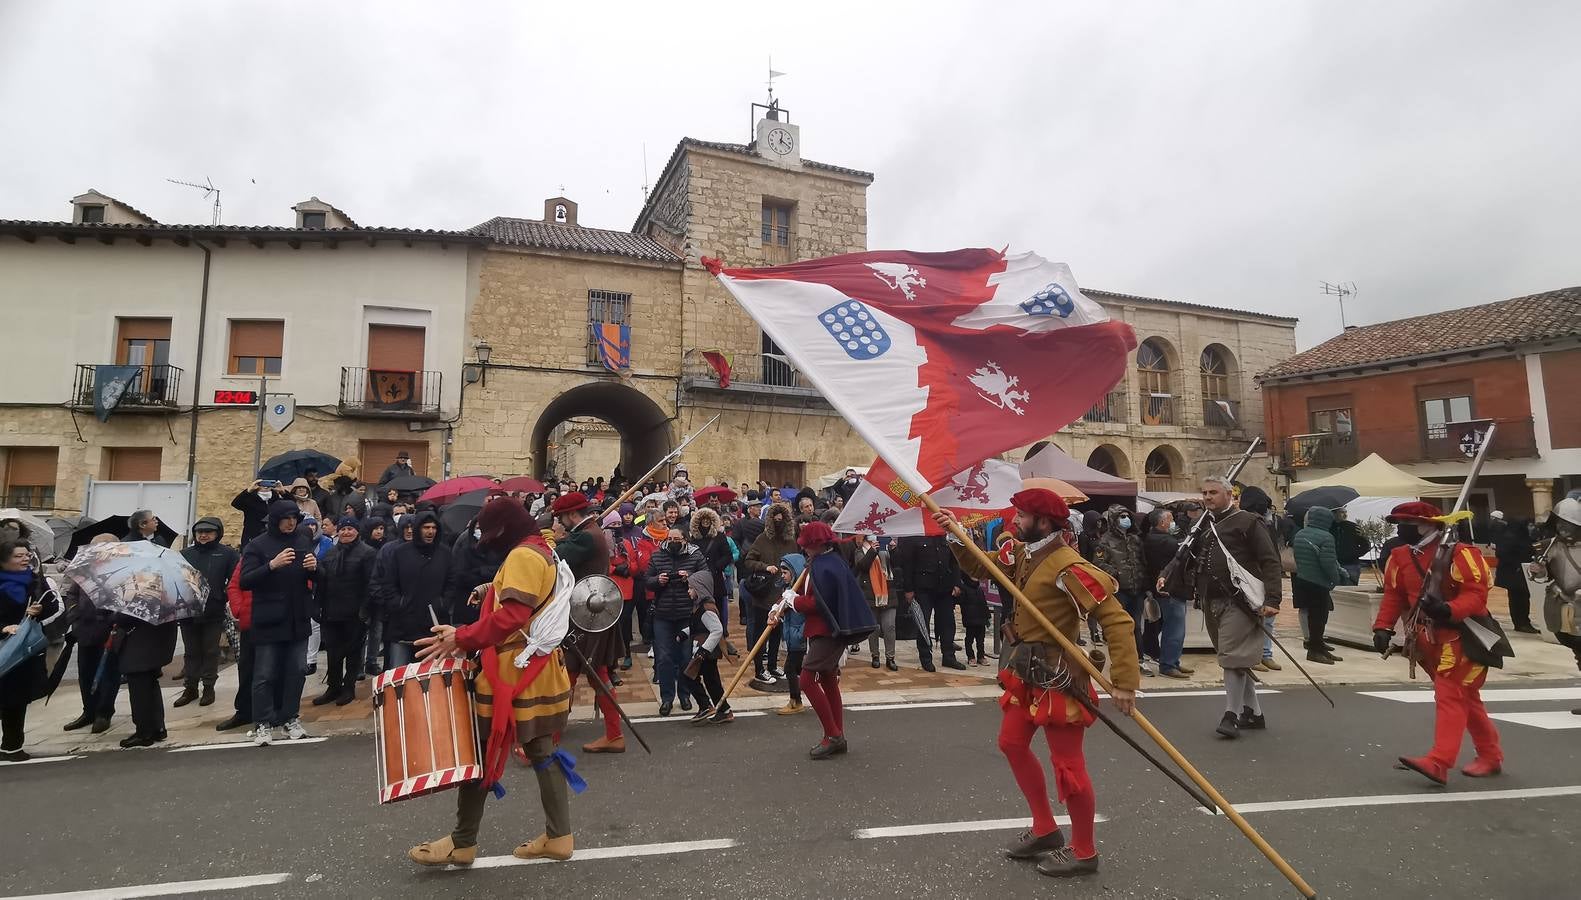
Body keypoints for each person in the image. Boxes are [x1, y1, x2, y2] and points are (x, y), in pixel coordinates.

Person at [935, 488, 1139, 878]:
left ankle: (1084, 850)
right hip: (1026, 671)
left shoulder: (1069, 567)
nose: (1014, 521)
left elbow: (1118, 621)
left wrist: (1124, 683)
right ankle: (1045, 830)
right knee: (1011, 744)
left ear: (1044, 522)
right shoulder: (1023, 553)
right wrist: (955, 534)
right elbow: (985, 567)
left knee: (1068, 768)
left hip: (1059, 677)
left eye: (1022, 516)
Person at [407, 498, 577, 867]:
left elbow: (515, 614)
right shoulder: (541, 548)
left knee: (480, 752)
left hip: (513, 670)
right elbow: (534, 595)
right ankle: (559, 835)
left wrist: (462, 637)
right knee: (542, 752)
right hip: (539, 669)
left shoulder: (522, 557)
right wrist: (491, 589)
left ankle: (462, 841)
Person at [1372, 501, 1502, 784]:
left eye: (1405, 523)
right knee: (1465, 698)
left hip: (1462, 635)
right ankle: (1490, 755)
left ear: (1427, 525)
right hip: (1426, 640)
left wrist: (1449, 609)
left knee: (1450, 694)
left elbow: (1476, 595)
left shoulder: (1460, 554)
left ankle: (1439, 761)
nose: (1400, 529)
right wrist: (1382, 627)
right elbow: (1393, 595)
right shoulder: (1399, 556)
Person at [1185, 476, 1283, 739]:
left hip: (1240, 601)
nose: (1207, 497)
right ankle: (1254, 712)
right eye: (1204, 492)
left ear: (1229, 495)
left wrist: (1273, 600)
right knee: (1235, 657)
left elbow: (1270, 560)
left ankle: (1231, 715)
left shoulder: (1248, 522)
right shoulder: (1203, 525)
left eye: (1213, 492)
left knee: (1231, 657)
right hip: (1211, 599)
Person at [772, 521, 875, 759]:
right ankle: (837, 734)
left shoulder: (824, 566)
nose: (804, 549)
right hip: (825, 630)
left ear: (816, 545)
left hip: (828, 631)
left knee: (807, 680)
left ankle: (833, 735)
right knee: (828, 680)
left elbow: (818, 603)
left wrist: (793, 601)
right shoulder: (825, 563)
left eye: (807, 545)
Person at [549, 492, 625, 753]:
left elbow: (554, 558)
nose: (559, 523)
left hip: (585, 617)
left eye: (561, 518)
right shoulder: (589, 531)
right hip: (591, 616)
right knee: (597, 675)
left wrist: (551, 538)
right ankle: (614, 735)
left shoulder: (585, 536)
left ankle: (551, 741)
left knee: (567, 676)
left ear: (572, 515)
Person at [239, 500, 318, 745]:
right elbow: (245, 580)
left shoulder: (303, 541)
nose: (291, 523)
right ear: (275, 520)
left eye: (294, 518)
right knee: (264, 674)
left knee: (297, 671)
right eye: (286, 518)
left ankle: (290, 718)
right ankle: (263, 722)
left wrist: (315, 569)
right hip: (270, 620)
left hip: (297, 617)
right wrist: (271, 565)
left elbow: (315, 577)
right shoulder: (257, 545)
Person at [1, 542, 60, 761]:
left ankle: (12, 746)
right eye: (18, 556)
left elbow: (54, 607)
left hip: (22, 651)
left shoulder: (36, 581)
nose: (25, 559)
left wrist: (39, 611)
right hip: (2, 646)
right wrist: (3, 628)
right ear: (4, 559)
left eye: (27, 555)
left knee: (16, 700)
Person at [375, 510, 452, 670]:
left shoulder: (445, 553)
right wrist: (399, 603)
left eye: (433, 527)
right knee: (399, 675)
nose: (430, 531)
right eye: (426, 527)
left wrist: (442, 603)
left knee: (432, 677)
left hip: (434, 625)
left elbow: (452, 583)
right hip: (403, 625)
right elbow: (388, 583)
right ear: (418, 529)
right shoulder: (400, 553)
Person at [175, 517, 238, 708]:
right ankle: (191, 687)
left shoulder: (227, 554)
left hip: (213, 610)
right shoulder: (184, 554)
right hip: (188, 610)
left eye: (208, 532)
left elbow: (236, 578)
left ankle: (208, 686)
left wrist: (222, 596)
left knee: (210, 651)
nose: (203, 535)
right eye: (199, 532)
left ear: (217, 533)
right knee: (191, 651)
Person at [61, 535, 120, 733]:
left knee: (108, 674)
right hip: (84, 629)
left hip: (108, 630)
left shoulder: (121, 570)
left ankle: (104, 713)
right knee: (85, 673)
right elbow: (71, 594)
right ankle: (89, 710)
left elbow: (126, 599)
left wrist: (113, 619)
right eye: (94, 546)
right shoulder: (84, 568)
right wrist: (74, 615)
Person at [646, 525, 706, 716]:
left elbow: (706, 578)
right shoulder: (657, 556)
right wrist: (658, 581)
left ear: (685, 540)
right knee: (663, 658)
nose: (672, 542)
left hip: (686, 614)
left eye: (676, 539)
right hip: (662, 614)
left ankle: (685, 695)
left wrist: (690, 578)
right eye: (669, 539)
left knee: (685, 657)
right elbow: (646, 580)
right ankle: (666, 698)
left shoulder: (695, 555)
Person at [314, 517, 375, 706]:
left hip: (355, 612)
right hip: (332, 611)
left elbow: (371, 584)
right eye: (343, 529)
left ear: (357, 531)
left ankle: (348, 688)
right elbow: (322, 581)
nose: (346, 532)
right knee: (333, 653)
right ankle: (333, 687)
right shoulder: (331, 553)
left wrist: (365, 611)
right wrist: (318, 606)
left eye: (350, 529)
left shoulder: (367, 553)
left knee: (353, 653)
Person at [892, 532, 968, 670]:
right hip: (923, 587)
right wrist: (908, 589)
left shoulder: (944, 535)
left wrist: (957, 583)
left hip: (944, 586)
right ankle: (926, 657)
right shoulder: (914, 535)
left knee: (948, 623)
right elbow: (907, 564)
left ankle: (949, 656)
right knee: (923, 623)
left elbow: (954, 561)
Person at [114, 592, 180, 748]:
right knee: (151, 685)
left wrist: (114, 615)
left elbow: (126, 616)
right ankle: (158, 727)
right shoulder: (165, 591)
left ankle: (144, 732)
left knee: (139, 690)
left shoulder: (142, 591)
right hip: (155, 645)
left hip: (140, 646)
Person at [742, 502, 798, 684]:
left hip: (783, 594)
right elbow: (749, 560)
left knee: (776, 634)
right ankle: (759, 669)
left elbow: (797, 562)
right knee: (761, 634)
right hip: (764, 594)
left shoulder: (791, 541)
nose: (779, 523)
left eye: (782, 520)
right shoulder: (762, 539)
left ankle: (773, 665)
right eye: (776, 521)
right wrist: (765, 567)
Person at [1534, 498, 1581, 711]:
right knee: (1577, 650)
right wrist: (1538, 571)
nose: (1563, 528)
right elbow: (1543, 576)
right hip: (1563, 604)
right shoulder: (1549, 546)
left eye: (1568, 524)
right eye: (1560, 524)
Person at [1093, 506, 1150, 676]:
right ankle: (1123, 662)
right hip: (1120, 590)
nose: (1126, 519)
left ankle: (1139, 660)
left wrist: (1146, 586)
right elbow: (1098, 563)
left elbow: (1143, 562)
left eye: (1128, 516)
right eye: (1122, 516)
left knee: (1136, 626)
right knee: (1120, 628)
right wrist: (1115, 573)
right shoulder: (1105, 541)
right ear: (1114, 519)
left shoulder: (1135, 539)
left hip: (1137, 589)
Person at [1236, 486, 1284, 673]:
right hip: (1250, 578)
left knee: (1267, 619)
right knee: (1250, 620)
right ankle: (1253, 655)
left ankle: (1265, 654)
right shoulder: (1246, 523)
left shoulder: (1265, 524)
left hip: (1265, 578)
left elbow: (1271, 554)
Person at [1291, 506, 1346, 665]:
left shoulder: (1300, 534)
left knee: (1312, 615)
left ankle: (1318, 645)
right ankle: (1315, 650)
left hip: (1303, 578)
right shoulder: (1326, 537)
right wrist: (1335, 579)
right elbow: (1328, 563)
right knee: (1319, 617)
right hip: (1319, 581)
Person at [1142, 509, 1192, 680]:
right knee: (1174, 630)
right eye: (1171, 520)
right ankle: (1168, 664)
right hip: (1170, 589)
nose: (1174, 523)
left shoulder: (1153, 538)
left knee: (1175, 629)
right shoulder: (1162, 541)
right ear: (1162, 523)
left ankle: (1173, 662)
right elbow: (1183, 551)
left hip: (1169, 589)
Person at [682, 569, 733, 724]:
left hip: (705, 652)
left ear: (700, 589)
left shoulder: (706, 609)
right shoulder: (699, 607)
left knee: (689, 676)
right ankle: (724, 710)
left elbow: (717, 630)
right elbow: (699, 626)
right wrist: (685, 633)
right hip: (703, 650)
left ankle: (706, 706)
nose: (688, 591)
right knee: (712, 681)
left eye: (691, 588)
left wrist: (704, 650)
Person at [214, 558, 254, 732]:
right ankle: (244, 710)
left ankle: (273, 708)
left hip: (277, 622)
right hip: (249, 621)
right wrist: (240, 609)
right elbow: (234, 585)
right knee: (246, 668)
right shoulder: (251, 554)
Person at [854, 534, 897, 670]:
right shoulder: (860, 551)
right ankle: (875, 655)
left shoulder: (886, 547)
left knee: (889, 626)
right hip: (870, 593)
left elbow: (898, 564)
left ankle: (890, 657)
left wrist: (893, 550)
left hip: (888, 592)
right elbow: (862, 566)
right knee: (874, 628)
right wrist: (872, 551)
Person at [1490, 511, 1538, 633]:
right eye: (1528, 525)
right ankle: (1521, 623)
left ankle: (1523, 622)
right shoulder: (1510, 537)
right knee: (1518, 599)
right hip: (1514, 573)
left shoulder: (1521, 536)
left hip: (1518, 573)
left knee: (1521, 598)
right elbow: (1502, 554)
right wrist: (1518, 562)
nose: (1530, 527)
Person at [232, 480, 279, 547]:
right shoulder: (250, 499)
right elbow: (235, 503)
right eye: (262, 484)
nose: (265, 487)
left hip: (273, 536)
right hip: (252, 537)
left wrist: (283, 492)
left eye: (268, 484)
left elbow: (291, 505)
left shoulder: (276, 498)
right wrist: (249, 490)